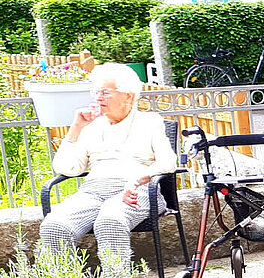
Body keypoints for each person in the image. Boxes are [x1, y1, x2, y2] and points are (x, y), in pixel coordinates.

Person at [39, 62, 176, 267]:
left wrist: (136, 181)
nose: (98, 97)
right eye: (96, 92)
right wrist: (75, 129)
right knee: (54, 226)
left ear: (128, 95)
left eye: (105, 92)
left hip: (137, 190)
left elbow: (168, 163)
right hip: (93, 192)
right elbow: (66, 168)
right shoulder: (91, 127)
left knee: (110, 220)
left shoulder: (149, 121)